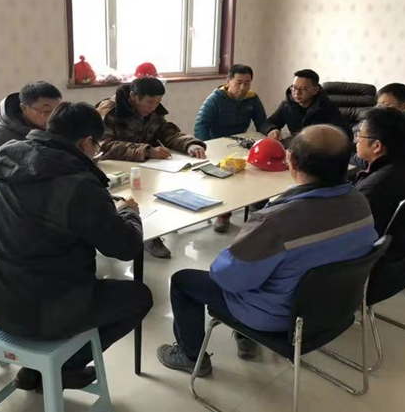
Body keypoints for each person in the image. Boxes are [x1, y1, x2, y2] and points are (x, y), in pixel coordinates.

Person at [157, 125, 378, 376]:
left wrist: (235, 250)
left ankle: (190, 356)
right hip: (335, 308)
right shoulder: (360, 202)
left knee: (183, 281)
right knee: (272, 269)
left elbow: (228, 278)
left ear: (292, 162)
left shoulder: (277, 221)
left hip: (280, 316)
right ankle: (243, 336)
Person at [0, 102, 153, 391]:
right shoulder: (78, 184)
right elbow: (126, 248)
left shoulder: (9, 163)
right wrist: (129, 212)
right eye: (97, 146)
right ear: (86, 142)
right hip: (44, 312)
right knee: (139, 297)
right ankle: (65, 368)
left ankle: (33, 369)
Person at [96, 76, 207, 259]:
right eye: (149, 102)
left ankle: (151, 234)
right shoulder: (110, 111)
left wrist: (190, 145)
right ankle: (130, 235)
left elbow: (168, 133)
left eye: (157, 102)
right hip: (115, 170)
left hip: (147, 167)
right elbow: (103, 146)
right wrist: (146, 150)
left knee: (152, 199)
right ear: (134, 96)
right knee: (126, 204)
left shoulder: (153, 111)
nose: (153, 107)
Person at [194, 64, 267, 233]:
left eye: (247, 83)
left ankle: (258, 208)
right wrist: (208, 148)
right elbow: (201, 125)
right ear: (228, 81)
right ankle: (223, 214)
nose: (243, 87)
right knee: (225, 179)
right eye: (238, 82)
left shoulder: (253, 98)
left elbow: (262, 123)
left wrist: (269, 133)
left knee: (258, 170)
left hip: (240, 143)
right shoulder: (215, 99)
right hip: (217, 144)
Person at [353, 107, 405, 235]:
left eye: (359, 135)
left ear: (377, 146)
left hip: (374, 244)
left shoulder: (371, 189)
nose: (356, 140)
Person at [0, 81, 62, 179]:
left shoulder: (56, 125)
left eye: (57, 111)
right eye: (46, 111)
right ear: (24, 108)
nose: (53, 117)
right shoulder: (1, 132)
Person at [262, 69, 349, 142]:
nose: (297, 93)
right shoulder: (287, 105)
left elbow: (345, 134)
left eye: (303, 88)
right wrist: (272, 129)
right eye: (294, 87)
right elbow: (267, 123)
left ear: (315, 90)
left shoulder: (327, 108)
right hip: (296, 148)